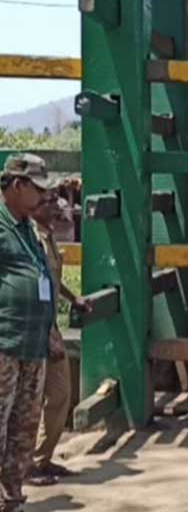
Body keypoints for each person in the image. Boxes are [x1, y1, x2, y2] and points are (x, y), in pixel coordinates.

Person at [0, 154, 58, 512]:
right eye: (37, 189)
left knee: (24, 426)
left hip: (33, 345)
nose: (44, 196)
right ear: (17, 186)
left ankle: (12, 496)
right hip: (5, 344)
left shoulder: (26, 229)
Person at [26, 193, 92, 485]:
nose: (55, 206)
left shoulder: (48, 236)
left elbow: (49, 278)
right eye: (48, 201)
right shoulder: (25, 236)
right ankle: (23, 466)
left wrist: (71, 297)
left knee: (61, 392)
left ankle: (41, 459)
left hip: (50, 327)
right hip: (30, 328)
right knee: (28, 400)